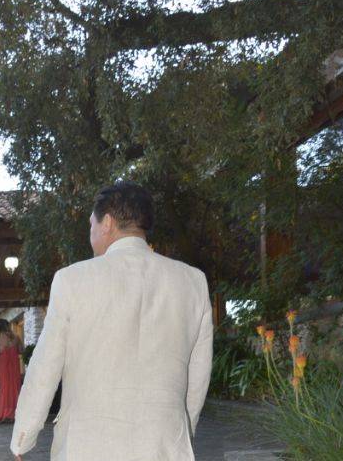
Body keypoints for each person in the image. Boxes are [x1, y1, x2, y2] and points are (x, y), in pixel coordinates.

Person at [11, 182, 213, 460]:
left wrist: (23, 438)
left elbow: (45, 368)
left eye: (90, 225)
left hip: (88, 445)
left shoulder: (72, 279)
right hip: (165, 443)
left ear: (106, 223)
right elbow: (198, 373)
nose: (90, 233)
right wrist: (183, 430)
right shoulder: (193, 281)